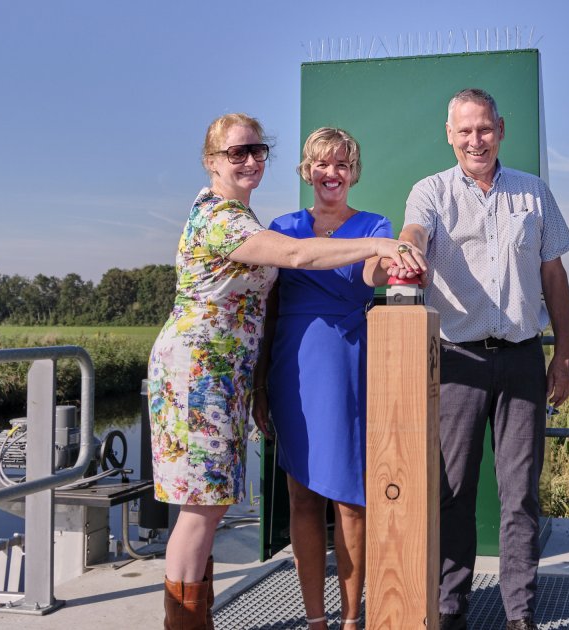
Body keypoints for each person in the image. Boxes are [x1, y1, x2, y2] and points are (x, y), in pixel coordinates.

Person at [148, 113, 425, 630]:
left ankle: (212, 619)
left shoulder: (246, 219)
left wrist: (395, 248)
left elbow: (360, 274)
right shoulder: (224, 219)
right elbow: (296, 256)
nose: (250, 160)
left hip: (230, 374)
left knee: (214, 505)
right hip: (200, 374)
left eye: (257, 151)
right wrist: (380, 245)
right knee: (203, 508)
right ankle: (187, 623)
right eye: (236, 152)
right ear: (211, 161)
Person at [391, 88, 569, 630]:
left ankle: (520, 616)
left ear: (501, 129)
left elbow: (554, 277)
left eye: (485, 129)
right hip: (456, 361)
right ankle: (451, 612)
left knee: (520, 498)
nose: (476, 140)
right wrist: (405, 249)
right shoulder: (430, 192)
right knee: (453, 494)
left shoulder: (534, 193)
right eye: (465, 131)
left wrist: (563, 355)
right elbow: (414, 233)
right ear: (449, 134)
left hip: (521, 360)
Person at [254, 128, 397, 629]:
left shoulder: (375, 225)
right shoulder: (282, 227)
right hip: (291, 370)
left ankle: (352, 620)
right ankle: (316, 620)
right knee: (301, 497)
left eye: (340, 164)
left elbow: (374, 274)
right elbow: (269, 312)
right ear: (306, 170)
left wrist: (390, 257)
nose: (331, 173)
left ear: (352, 171)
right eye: (321, 164)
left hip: (348, 368)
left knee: (352, 501)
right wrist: (257, 387)